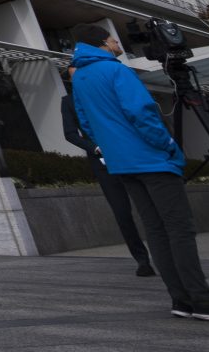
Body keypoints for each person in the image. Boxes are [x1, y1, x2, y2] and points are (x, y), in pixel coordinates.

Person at [66, 20, 209, 323]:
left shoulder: (82, 78)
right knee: (179, 229)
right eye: (113, 40)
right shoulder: (116, 70)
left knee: (155, 231)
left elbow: (86, 123)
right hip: (150, 159)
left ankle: (180, 299)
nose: (117, 44)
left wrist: (110, 148)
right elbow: (141, 111)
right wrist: (165, 143)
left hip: (122, 164)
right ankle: (202, 300)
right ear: (101, 43)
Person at [57, 61, 154, 277]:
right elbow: (70, 134)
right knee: (122, 213)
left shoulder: (104, 94)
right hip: (103, 164)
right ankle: (141, 259)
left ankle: (163, 253)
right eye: (74, 77)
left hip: (130, 157)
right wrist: (95, 148)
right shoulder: (68, 102)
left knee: (147, 206)